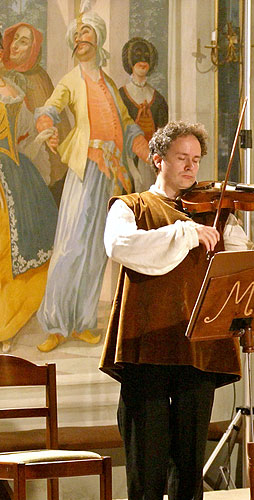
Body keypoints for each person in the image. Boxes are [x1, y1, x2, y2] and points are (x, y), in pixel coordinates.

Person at [100, 120, 254, 500]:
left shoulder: (216, 213)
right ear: (158, 160)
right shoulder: (130, 206)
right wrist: (186, 231)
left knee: (190, 469)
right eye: (182, 158)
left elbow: (247, 268)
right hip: (146, 347)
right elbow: (121, 246)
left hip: (199, 348)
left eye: (196, 159)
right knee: (146, 471)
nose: (191, 167)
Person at [34, 11, 150, 352]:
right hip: (86, 167)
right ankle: (55, 323)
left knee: (99, 249)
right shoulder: (71, 79)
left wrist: (145, 150)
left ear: (97, 39)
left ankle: (83, 322)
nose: (79, 37)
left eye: (86, 32)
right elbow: (50, 109)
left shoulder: (110, 84)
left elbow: (128, 125)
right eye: (76, 33)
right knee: (71, 244)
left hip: (113, 174)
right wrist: (46, 126)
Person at [0, 75, 58, 353]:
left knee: (20, 248)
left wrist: (37, 142)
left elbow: (20, 140)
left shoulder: (14, 88)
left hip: (16, 173)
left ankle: (6, 327)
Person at [2, 22, 71, 200]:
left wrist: (48, 134)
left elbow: (54, 119)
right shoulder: (4, 78)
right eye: (14, 39)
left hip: (35, 159)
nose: (15, 46)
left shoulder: (40, 78)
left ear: (33, 49)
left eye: (23, 42)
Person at [119, 37, 169, 142]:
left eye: (146, 57)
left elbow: (163, 134)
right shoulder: (121, 95)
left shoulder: (159, 99)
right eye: (137, 56)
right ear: (130, 60)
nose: (142, 62)